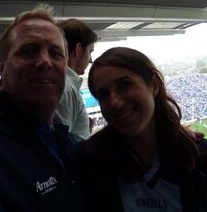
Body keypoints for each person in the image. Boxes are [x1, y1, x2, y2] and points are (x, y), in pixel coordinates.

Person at [0, 4, 86, 212]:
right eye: (28, 51)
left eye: (55, 53)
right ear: (2, 66)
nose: (44, 61)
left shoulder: (67, 144)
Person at [78, 47, 207, 212]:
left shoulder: (199, 158)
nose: (115, 102)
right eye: (103, 94)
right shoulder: (89, 160)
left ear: (153, 85)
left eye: (124, 85)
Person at [54, 18, 98, 141]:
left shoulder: (64, 86)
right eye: (90, 51)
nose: (91, 60)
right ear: (78, 49)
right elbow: (60, 145)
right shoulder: (66, 89)